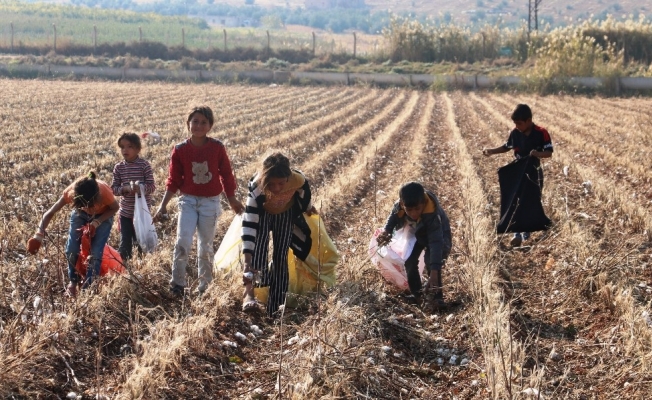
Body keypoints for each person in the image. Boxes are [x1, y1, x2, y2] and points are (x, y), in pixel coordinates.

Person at [154, 106, 244, 297]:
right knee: (183, 241)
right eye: (195, 121)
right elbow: (173, 180)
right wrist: (162, 205)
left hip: (210, 202)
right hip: (187, 200)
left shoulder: (217, 148)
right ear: (188, 124)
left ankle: (205, 285)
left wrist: (232, 198)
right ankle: (177, 283)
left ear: (210, 126)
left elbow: (226, 175)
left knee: (205, 245)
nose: (199, 126)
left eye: (204, 122)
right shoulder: (180, 150)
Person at [241, 152, 317, 317]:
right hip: (263, 213)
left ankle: (275, 307)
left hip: (285, 213)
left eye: (281, 184)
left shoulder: (298, 180)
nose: (276, 189)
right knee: (257, 252)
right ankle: (250, 296)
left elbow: (305, 195)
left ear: (288, 178)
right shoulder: (257, 187)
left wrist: (307, 207)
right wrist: (247, 260)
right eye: (271, 184)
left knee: (281, 257)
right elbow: (249, 223)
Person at [27, 171, 119, 297]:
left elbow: (115, 207)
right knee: (71, 249)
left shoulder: (104, 192)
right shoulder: (71, 192)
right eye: (84, 206)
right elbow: (49, 213)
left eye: (90, 206)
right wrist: (38, 236)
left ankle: (89, 287)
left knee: (96, 252)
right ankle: (73, 282)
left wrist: (97, 222)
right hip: (79, 215)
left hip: (103, 216)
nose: (89, 209)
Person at [482, 103, 553, 247]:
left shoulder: (541, 132)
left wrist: (537, 154)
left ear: (529, 120)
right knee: (516, 201)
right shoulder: (515, 133)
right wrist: (491, 151)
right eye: (515, 123)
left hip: (534, 172)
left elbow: (549, 153)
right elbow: (506, 147)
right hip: (518, 172)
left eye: (519, 123)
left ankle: (527, 230)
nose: (517, 126)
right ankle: (517, 233)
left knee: (532, 200)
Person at [377, 182, 452, 310]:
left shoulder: (432, 214)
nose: (413, 213)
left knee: (431, 261)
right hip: (417, 233)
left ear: (423, 203)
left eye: (417, 209)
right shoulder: (400, 206)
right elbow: (392, 219)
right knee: (409, 261)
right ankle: (418, 295)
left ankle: (437, 298)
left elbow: (436, 243)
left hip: (439, 236)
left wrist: (434, 272)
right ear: (402, 205)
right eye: (409, 210)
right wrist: (386, 231)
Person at [111, 133, 156, 260]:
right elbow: (113, 189)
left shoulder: (144, 165)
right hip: (125, 213)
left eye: (129, 146)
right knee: (125, 243)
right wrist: (124, 189)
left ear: (138, 149)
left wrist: (141, 188)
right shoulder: (119, 168)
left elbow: (152, 186)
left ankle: (140, 264)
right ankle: (123, 264)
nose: (125, 150)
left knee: (140, 241)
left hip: (141, 213)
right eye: (122, 147)